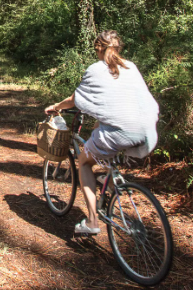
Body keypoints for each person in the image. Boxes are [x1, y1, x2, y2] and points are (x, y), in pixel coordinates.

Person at [45, 30, 159, 235]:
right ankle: (108, 181)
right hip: (146, 129)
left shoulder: (96, 69)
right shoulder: (131, 67)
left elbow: (75, 99)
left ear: (98, 48)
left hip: (120, 132)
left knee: (84, 163)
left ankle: (92, 221)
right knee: (101, 134)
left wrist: (57, 106)